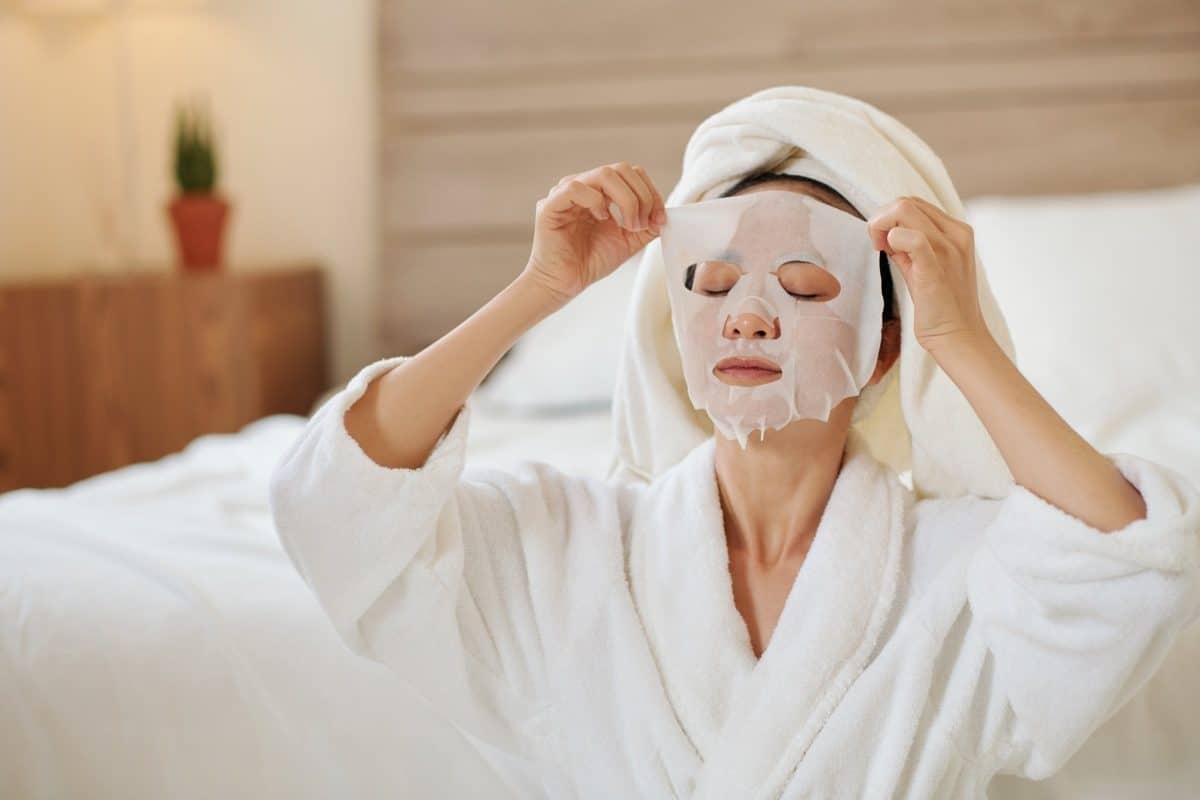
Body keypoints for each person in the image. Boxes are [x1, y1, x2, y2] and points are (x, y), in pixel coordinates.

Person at [269, 86, 1200, 799]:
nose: (747, 318)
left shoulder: (961, 570)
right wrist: (539, 291)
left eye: (802, 285)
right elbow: (339, 505)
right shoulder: (569, 543)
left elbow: (1130, 561)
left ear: (884, 345)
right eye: (711, 285)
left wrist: (957, 338)